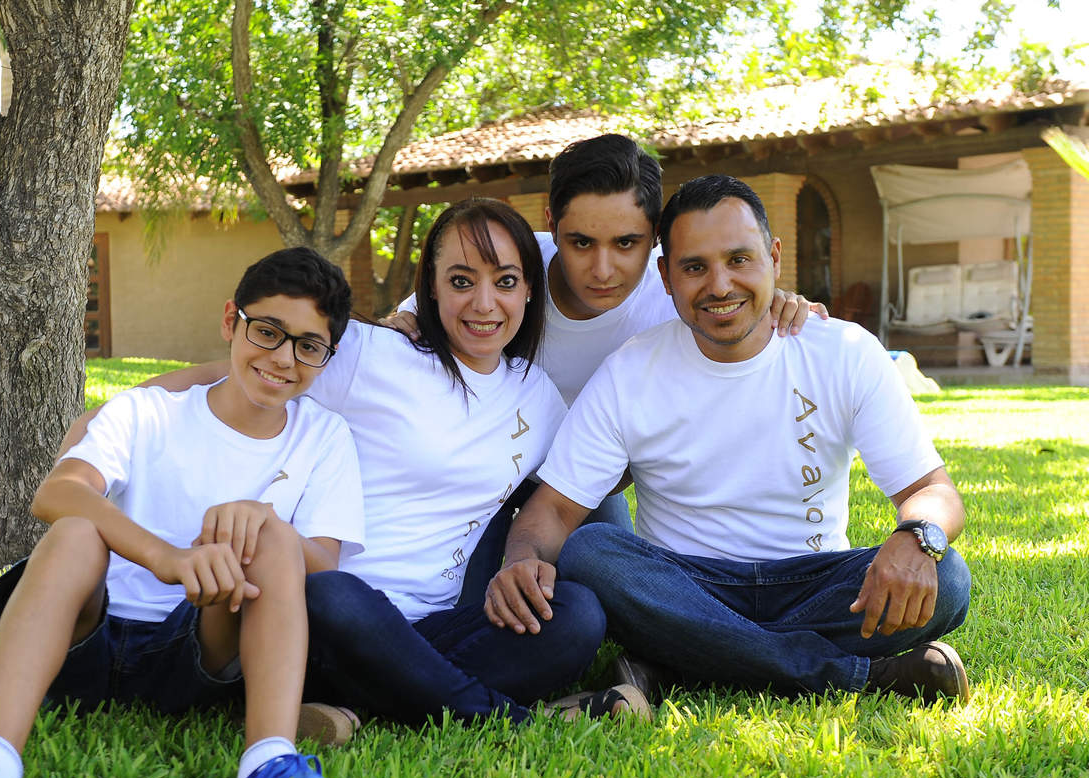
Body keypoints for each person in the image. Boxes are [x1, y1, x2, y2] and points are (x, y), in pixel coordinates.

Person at [0, 247, 370, 778]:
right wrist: (165, 557)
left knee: (277, 541)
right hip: (86, 636)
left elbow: (325, 563)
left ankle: (268, 766)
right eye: (267, 331)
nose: (283, 358)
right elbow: (57, 492)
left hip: (200, 650)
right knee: (75, 531)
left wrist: (263, 522)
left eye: (308, 346)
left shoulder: (324, 436)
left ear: (326, 357)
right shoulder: (150, 412)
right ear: (230, 321)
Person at [110, 198, 646, 727]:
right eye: (461, 281)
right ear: (430, 287)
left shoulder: (537, 396)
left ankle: (359, 703)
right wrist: (117, 414)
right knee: (338, 597)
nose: (484, 303)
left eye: (505, 281)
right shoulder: (372, 353)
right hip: (313, 611)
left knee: (576, 615)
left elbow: (587, 478)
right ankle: (510, 717)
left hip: (429, 627)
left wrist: (520, 563)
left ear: (528, 288)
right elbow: (227, 379)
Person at [485, 175, 972, 704]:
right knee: (591, 552)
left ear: (774, 258)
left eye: (739, 259)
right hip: (684, 584)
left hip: (810, 583)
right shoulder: (629, 371)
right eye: (695, 267)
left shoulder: (845, 351)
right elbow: (554, 512)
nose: (720, 286)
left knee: (947, 577)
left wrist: (916, 537)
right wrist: (521, 559)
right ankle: (855, 675)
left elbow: (932, 490)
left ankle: (681, 660)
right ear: (666, 276)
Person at [386, 135, 822, 605]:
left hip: (582, 484)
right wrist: (399, 328)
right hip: (480, 471)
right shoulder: (508, 268)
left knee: (608, 594)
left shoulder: (678, 300)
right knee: (464, 604)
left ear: (655, 235)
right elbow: (411, 322)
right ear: (552, 225)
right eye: (581, 243)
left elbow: (736, 305)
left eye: (626, 243)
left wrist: (775, 300)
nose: (602, 269)